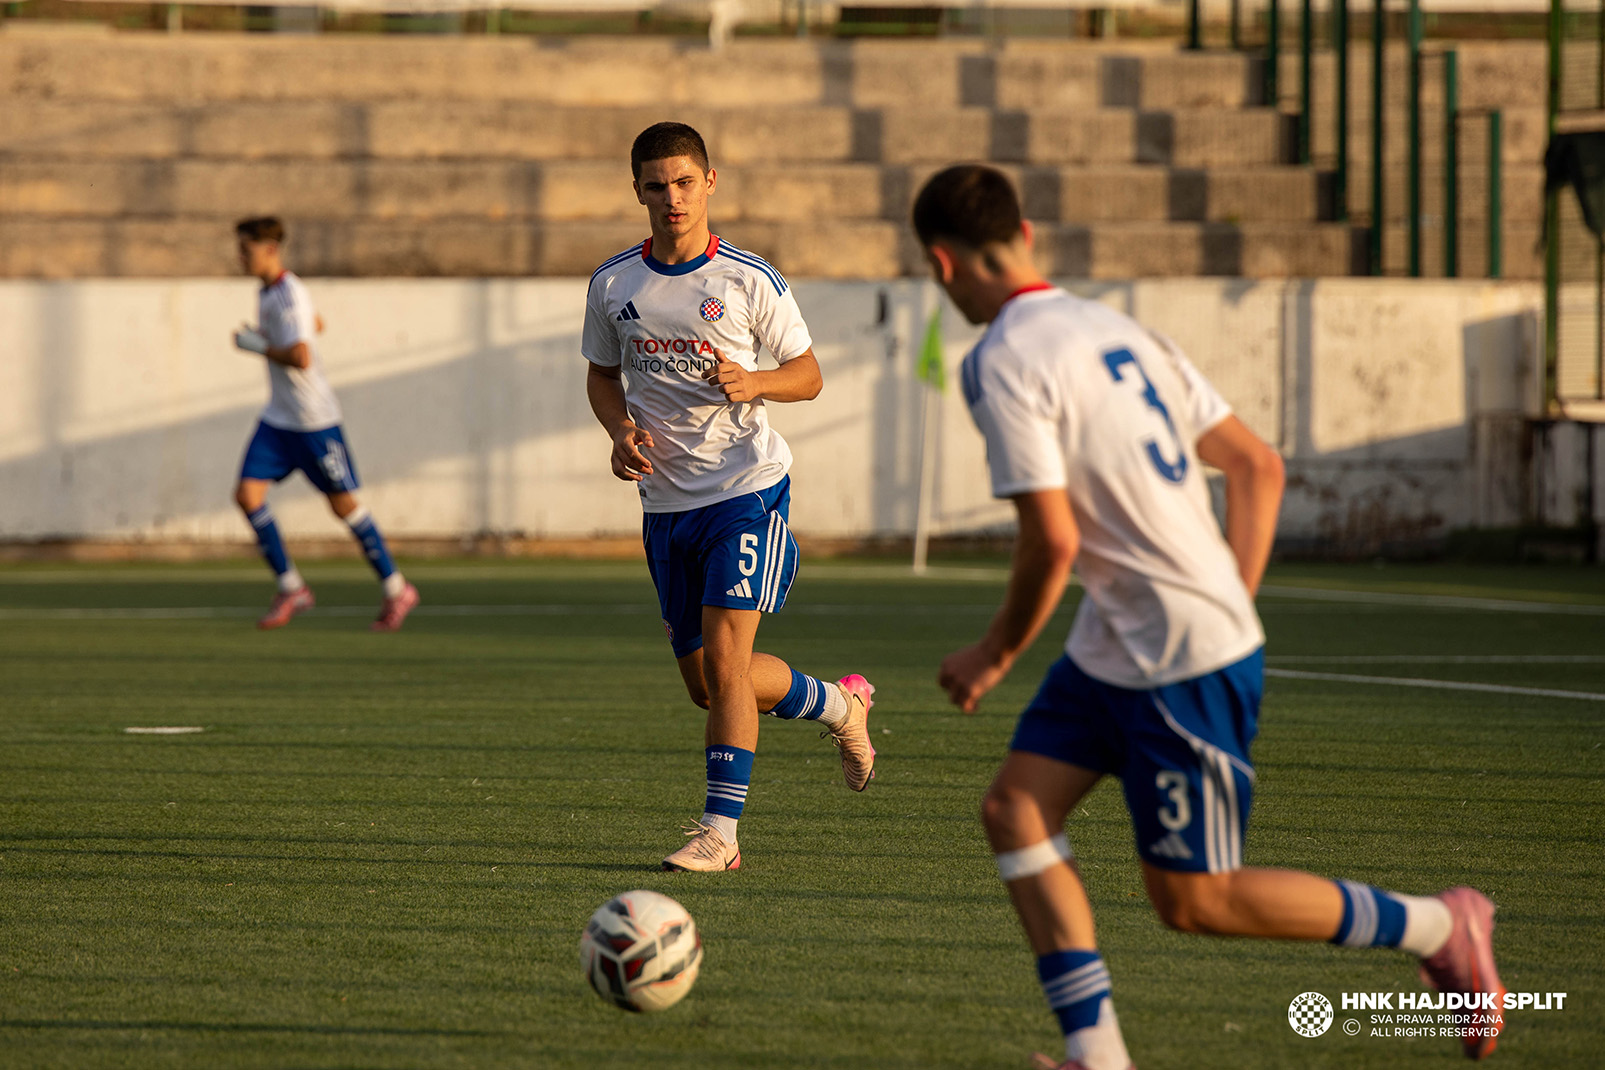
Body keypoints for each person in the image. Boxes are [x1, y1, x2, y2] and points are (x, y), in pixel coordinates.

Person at [913, 166, 1506, 1069]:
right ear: (1025, 233)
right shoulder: (1121, 329)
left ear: (940, 264)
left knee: (1196, 901)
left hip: (1179, 657)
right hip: (1122, 637)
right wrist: (1227, 591)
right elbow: (1256, 466)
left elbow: (1052, 540)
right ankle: (1097, 1054)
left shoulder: (1000, 361)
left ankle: (1438, 924)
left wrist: (995, 654)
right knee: (1014, 810)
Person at [581, 123, 876, 873]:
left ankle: (721, 834)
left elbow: (807, 374)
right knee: (709, 684)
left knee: (725, 659)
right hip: (664, 504)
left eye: (684, 182)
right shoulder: (613, 284)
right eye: (656, 184)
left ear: (710, 181)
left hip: (745, 492)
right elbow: (601, 375)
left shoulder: (748, 279)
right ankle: (841, 706)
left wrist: (757, 382)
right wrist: (619, 432)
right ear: (638, 189)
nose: (671, 197)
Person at [232, 217, 419, 632]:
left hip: (315, 422)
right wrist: (276, 337)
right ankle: (292, 587)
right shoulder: (270, 292)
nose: (240, 257)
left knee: (345, 507)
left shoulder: (289, 294)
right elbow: (315, 326)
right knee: (247, 495)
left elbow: (301, 356)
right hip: (280, 419)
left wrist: (260, 346)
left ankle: (396, 588)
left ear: (270, 249)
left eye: (246, 249)